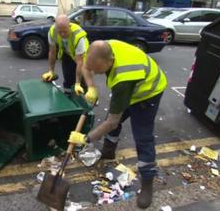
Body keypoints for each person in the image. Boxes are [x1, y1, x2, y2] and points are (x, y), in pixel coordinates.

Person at [68, 40, 167, 209]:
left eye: (99, 70)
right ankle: (108, 150)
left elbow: (112, 122)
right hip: (132, 86)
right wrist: (91, 87)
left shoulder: (122, 79)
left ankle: (148, 182)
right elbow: (86, 66)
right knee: (113, 115)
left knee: (142, 137)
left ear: (109, 61)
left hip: (148, 93)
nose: (96, 73)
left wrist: (86, 138)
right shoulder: (102, 48)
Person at [41, 14, 97, 100]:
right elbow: (52, 52)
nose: (63, 34)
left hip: (83, 57)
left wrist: (77, 83)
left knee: (84, 79)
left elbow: (80, 62)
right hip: (67, 53)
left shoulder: (78, 36)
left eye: (65, 31)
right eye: (60, 32)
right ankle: (68, 96)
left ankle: (91, 97)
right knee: (68, 76)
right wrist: (51, 71)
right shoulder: (53, 32)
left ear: (69, 26)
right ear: (56, 28)